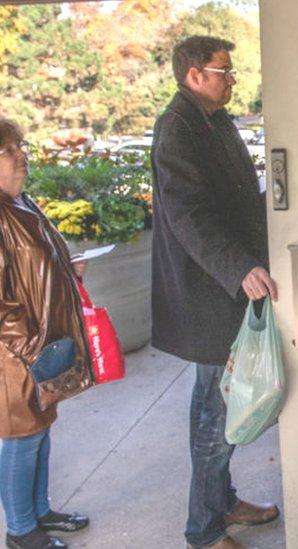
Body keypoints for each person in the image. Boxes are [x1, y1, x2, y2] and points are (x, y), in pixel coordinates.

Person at [150, 36, 279, 549]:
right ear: (193, 74)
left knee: (218, 405)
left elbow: (236, 198)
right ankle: (203, 531)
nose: (231, 79)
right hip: (209, 292)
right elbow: (189, 215)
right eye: (222, 71)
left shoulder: (212, 119)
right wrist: (240, 266)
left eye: (230, 71)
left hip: (225, 287)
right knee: (214, 410)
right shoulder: (177, 127)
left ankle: (223, 502)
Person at [0, 117, 92, 549]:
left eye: (21, 145)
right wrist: (31, 349)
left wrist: (65, 269)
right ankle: (21, 531)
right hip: (16, 354)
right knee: (22, 437)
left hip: (41, 344)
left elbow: (31, 269)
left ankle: (40, 512)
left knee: (41, 427)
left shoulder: (20, 202)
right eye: (9, 150)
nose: (22, 156)